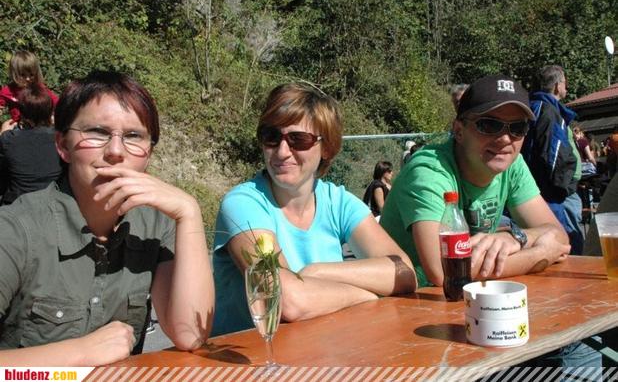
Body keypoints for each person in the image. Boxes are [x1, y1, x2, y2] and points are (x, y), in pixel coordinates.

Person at [0, 71, 214, 366]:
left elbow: (190, 335)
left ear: (149, 154)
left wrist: (189, 212)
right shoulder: (15, 229)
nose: (115, 151)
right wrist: (79, 354)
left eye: (133, 136)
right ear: (62, 145)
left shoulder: (156, 225)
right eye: (97, 132)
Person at [212, 83, 416, 336]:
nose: (282, 152)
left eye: (298, 139)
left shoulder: (337, 201)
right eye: (271, 137)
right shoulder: (242, 204)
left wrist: (317, 272)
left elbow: (404, 273)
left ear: (326, 148)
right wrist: (366, 295)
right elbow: (286, 300)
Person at [380, 74, 571, 289]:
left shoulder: (512, 164)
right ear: (459, 131)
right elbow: (444, 272)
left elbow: (560, 237)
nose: (505, 139)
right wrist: (540, 253)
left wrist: (517, 237)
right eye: (489, 125)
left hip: (469, 296)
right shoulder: (429, 170)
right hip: (409, 298)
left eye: (518, 128)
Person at [521, 65, 585, 254]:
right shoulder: (548, 111)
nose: (566, 86)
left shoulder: (532, 107)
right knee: (566, 245)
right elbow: (554, 155)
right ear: (557, 86)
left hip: (538, 191)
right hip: (554, 196)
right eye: (565, 82)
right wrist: (564, 188)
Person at [0, 84, 62, 205]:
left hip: (17, 203)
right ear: (50, 111)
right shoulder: (61, 138)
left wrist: (2, 133)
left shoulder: (9, 139)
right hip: (54, 201)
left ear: (23, 115)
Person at [0, 51, 58, 123]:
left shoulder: (39, 89)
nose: (28, 78)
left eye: (31, 75)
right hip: (18, 124)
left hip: (38, 124)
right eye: (22, 75)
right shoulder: (7, 91)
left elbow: (56, 102)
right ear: (14, 73)